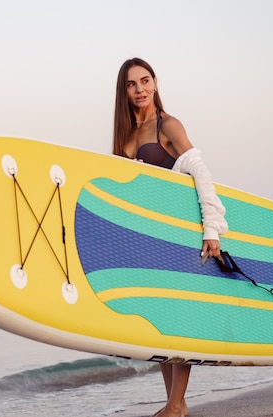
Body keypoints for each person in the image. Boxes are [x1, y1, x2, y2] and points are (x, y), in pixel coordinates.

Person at [112, 57, 228, 417]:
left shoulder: (168, 124)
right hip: (147, 234)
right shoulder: (125, 133)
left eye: (145, 81)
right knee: (159, 320)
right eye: (132, 84)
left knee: (178, 317)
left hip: (178, 231)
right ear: (124, 91)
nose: (140, 89)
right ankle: (173, 402)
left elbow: (200, 172)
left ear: (156, 83)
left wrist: (212, 229)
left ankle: (177, 403)